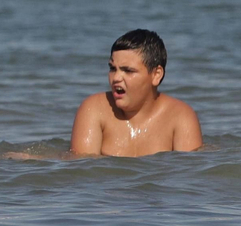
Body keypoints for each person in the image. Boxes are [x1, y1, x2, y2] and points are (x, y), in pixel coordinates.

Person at [70, 29, 202, 156]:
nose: (116, 78)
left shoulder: (181, 117)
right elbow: (83, 170)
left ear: (156, 75)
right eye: (112, 68)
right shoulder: (93, 109)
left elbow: (188, 174)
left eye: (128, 71)